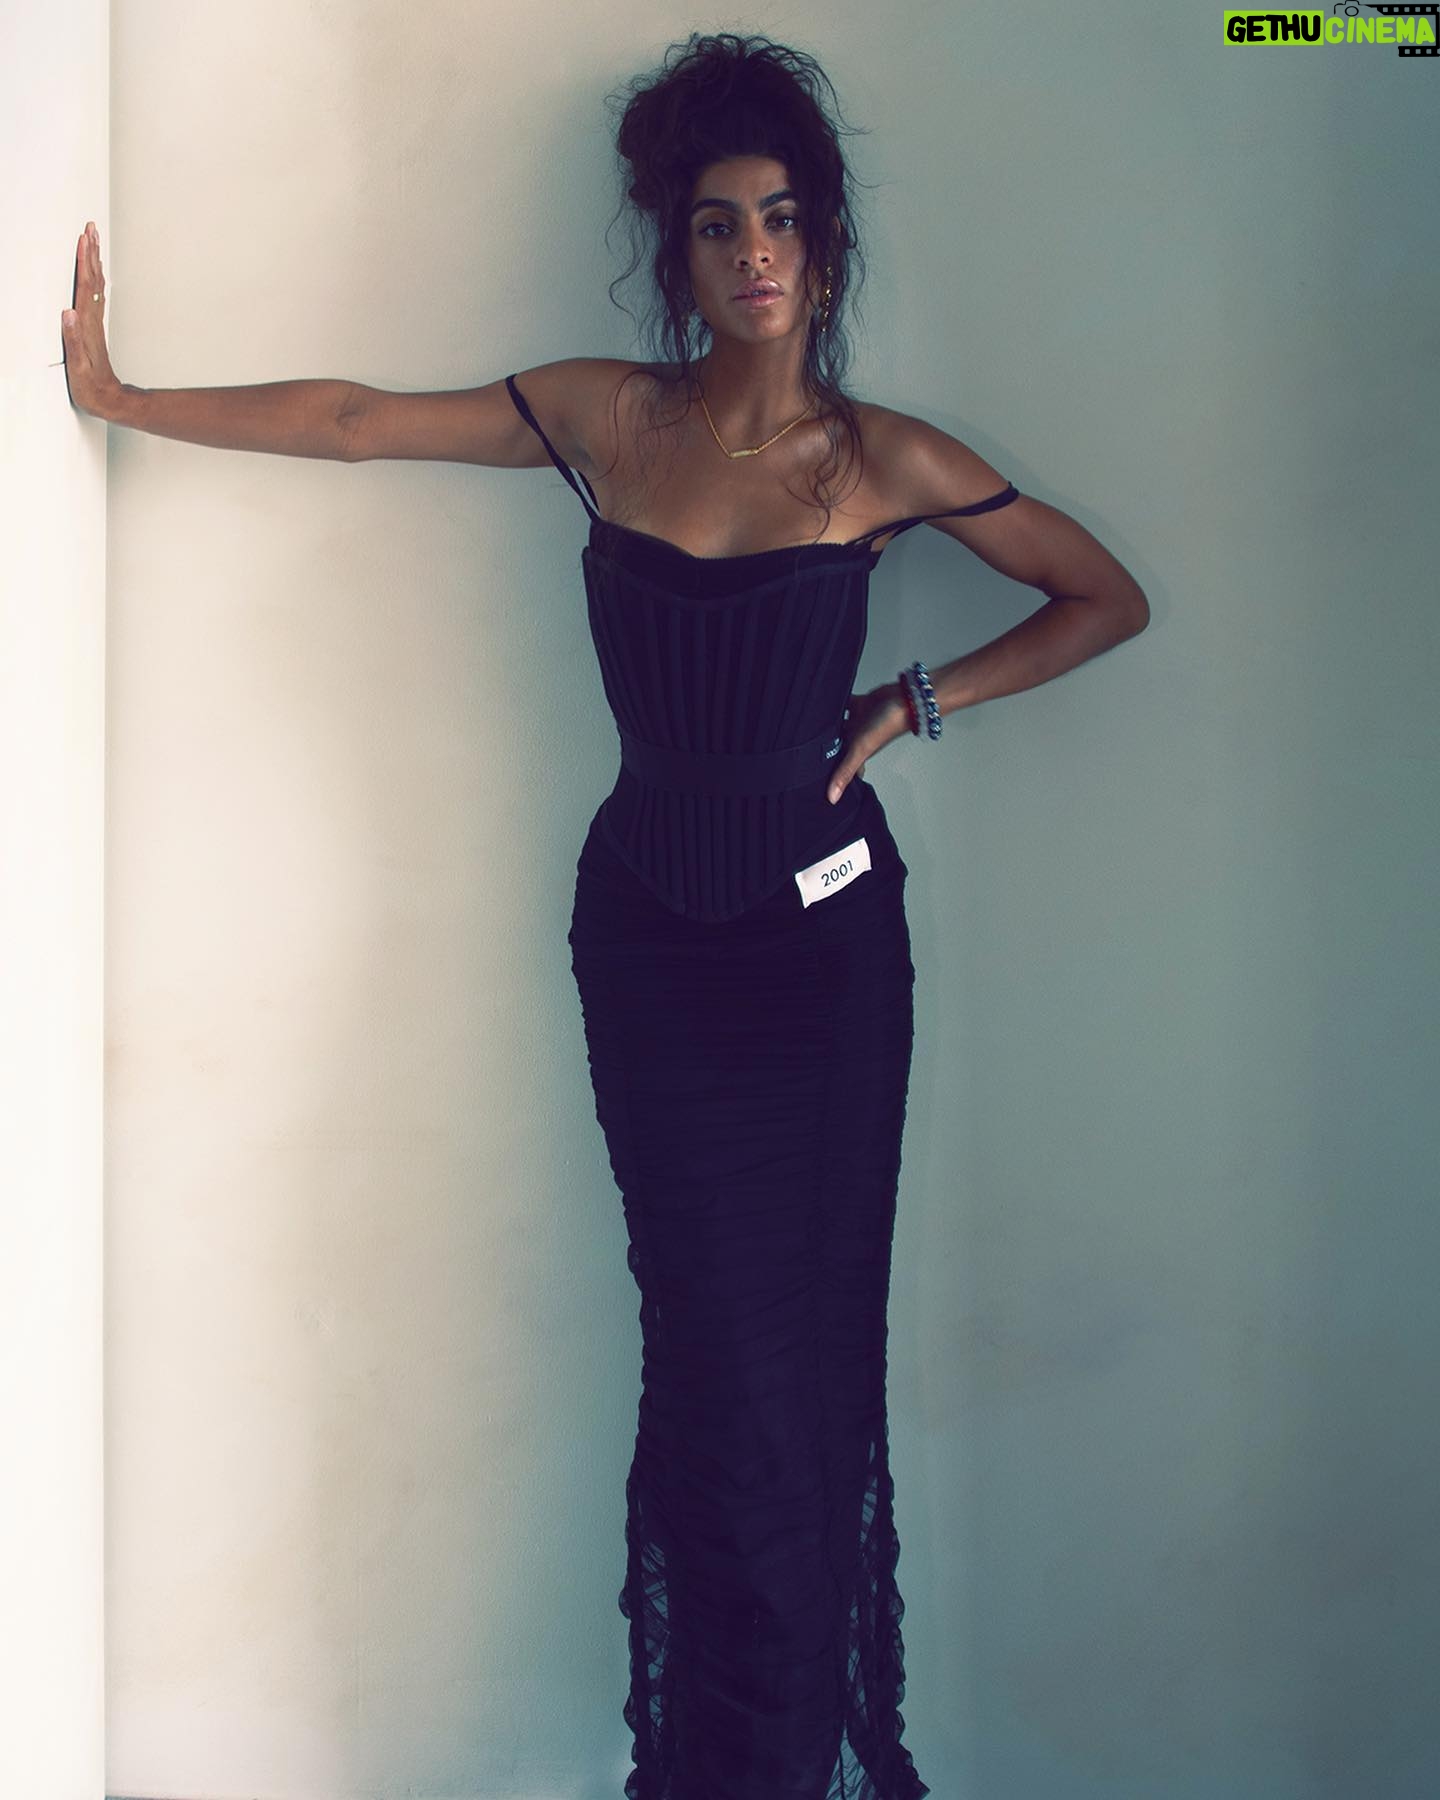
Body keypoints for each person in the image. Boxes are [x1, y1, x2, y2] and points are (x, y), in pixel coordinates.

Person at [62, 29, 1148, 1799]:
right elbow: (355, 424)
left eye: (781, 218)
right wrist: (122, 399)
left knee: (798, 1368)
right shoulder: (609, 418)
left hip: (823, 968)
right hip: (646, 943)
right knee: (709, 1355)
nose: (754, 254)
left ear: (826, 241)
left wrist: (909, 705)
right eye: (719, 225)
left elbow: (1103, 597)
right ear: (679, 250)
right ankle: (716, 1762)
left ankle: (782, 1759)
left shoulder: (880, 461)